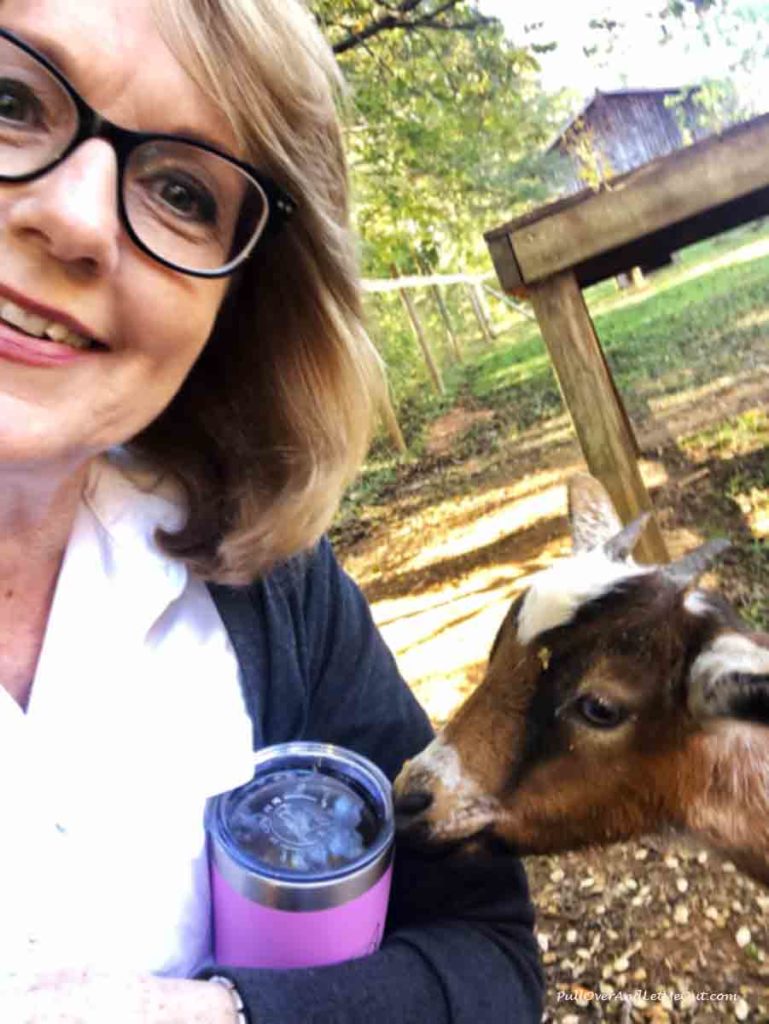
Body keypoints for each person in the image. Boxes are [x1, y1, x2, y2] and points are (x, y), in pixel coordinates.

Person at [0, 0, 545, 1020]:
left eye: (179, 191)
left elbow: (482, 951)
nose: (75, 217)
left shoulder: (270, 580)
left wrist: (220, 1013)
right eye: (10, 100)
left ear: (234, 306)